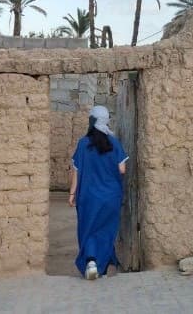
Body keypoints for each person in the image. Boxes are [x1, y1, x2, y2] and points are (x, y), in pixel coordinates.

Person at [68, 105, 128, 280]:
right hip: (111, 196)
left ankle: (92, 261)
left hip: (88, 197)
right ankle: (100, 268)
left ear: (91, 121)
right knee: (106, 230)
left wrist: (72, 194)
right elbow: (122, 169)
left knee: (89, 230)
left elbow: (76, 172)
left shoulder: (83, 143)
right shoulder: (114, 143)